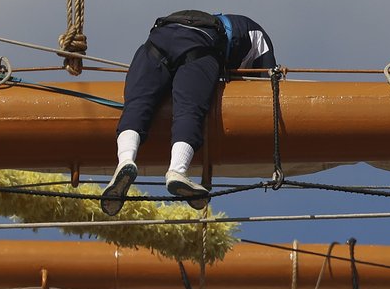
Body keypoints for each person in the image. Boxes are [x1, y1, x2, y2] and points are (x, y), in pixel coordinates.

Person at [100, 11, 275, 216]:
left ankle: (125, 160)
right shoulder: (256, 34)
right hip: (199, 43)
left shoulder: (232, 23)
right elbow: (266, 88)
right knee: (189, 109)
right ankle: (178, 171)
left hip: (158, 39)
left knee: (137, 104)